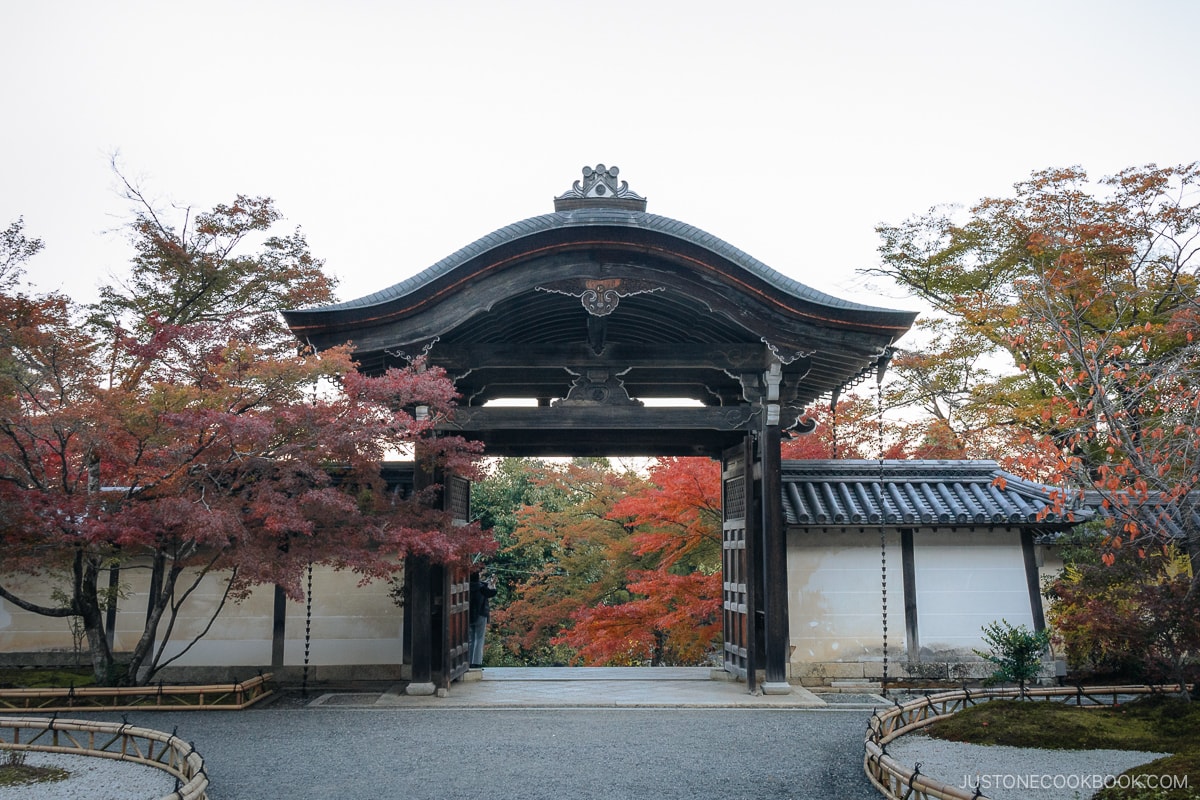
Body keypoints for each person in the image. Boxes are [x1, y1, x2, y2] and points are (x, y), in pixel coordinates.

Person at [468, 572, 497, 669]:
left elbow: (482, 584)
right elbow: (492, 592)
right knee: (479, 638)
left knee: (471, 639)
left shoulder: (467, 586)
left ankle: (469, 661)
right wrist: (493, 584)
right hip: (481, 614)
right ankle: (476, 662)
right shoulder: (481, 588)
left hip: (470, 615)